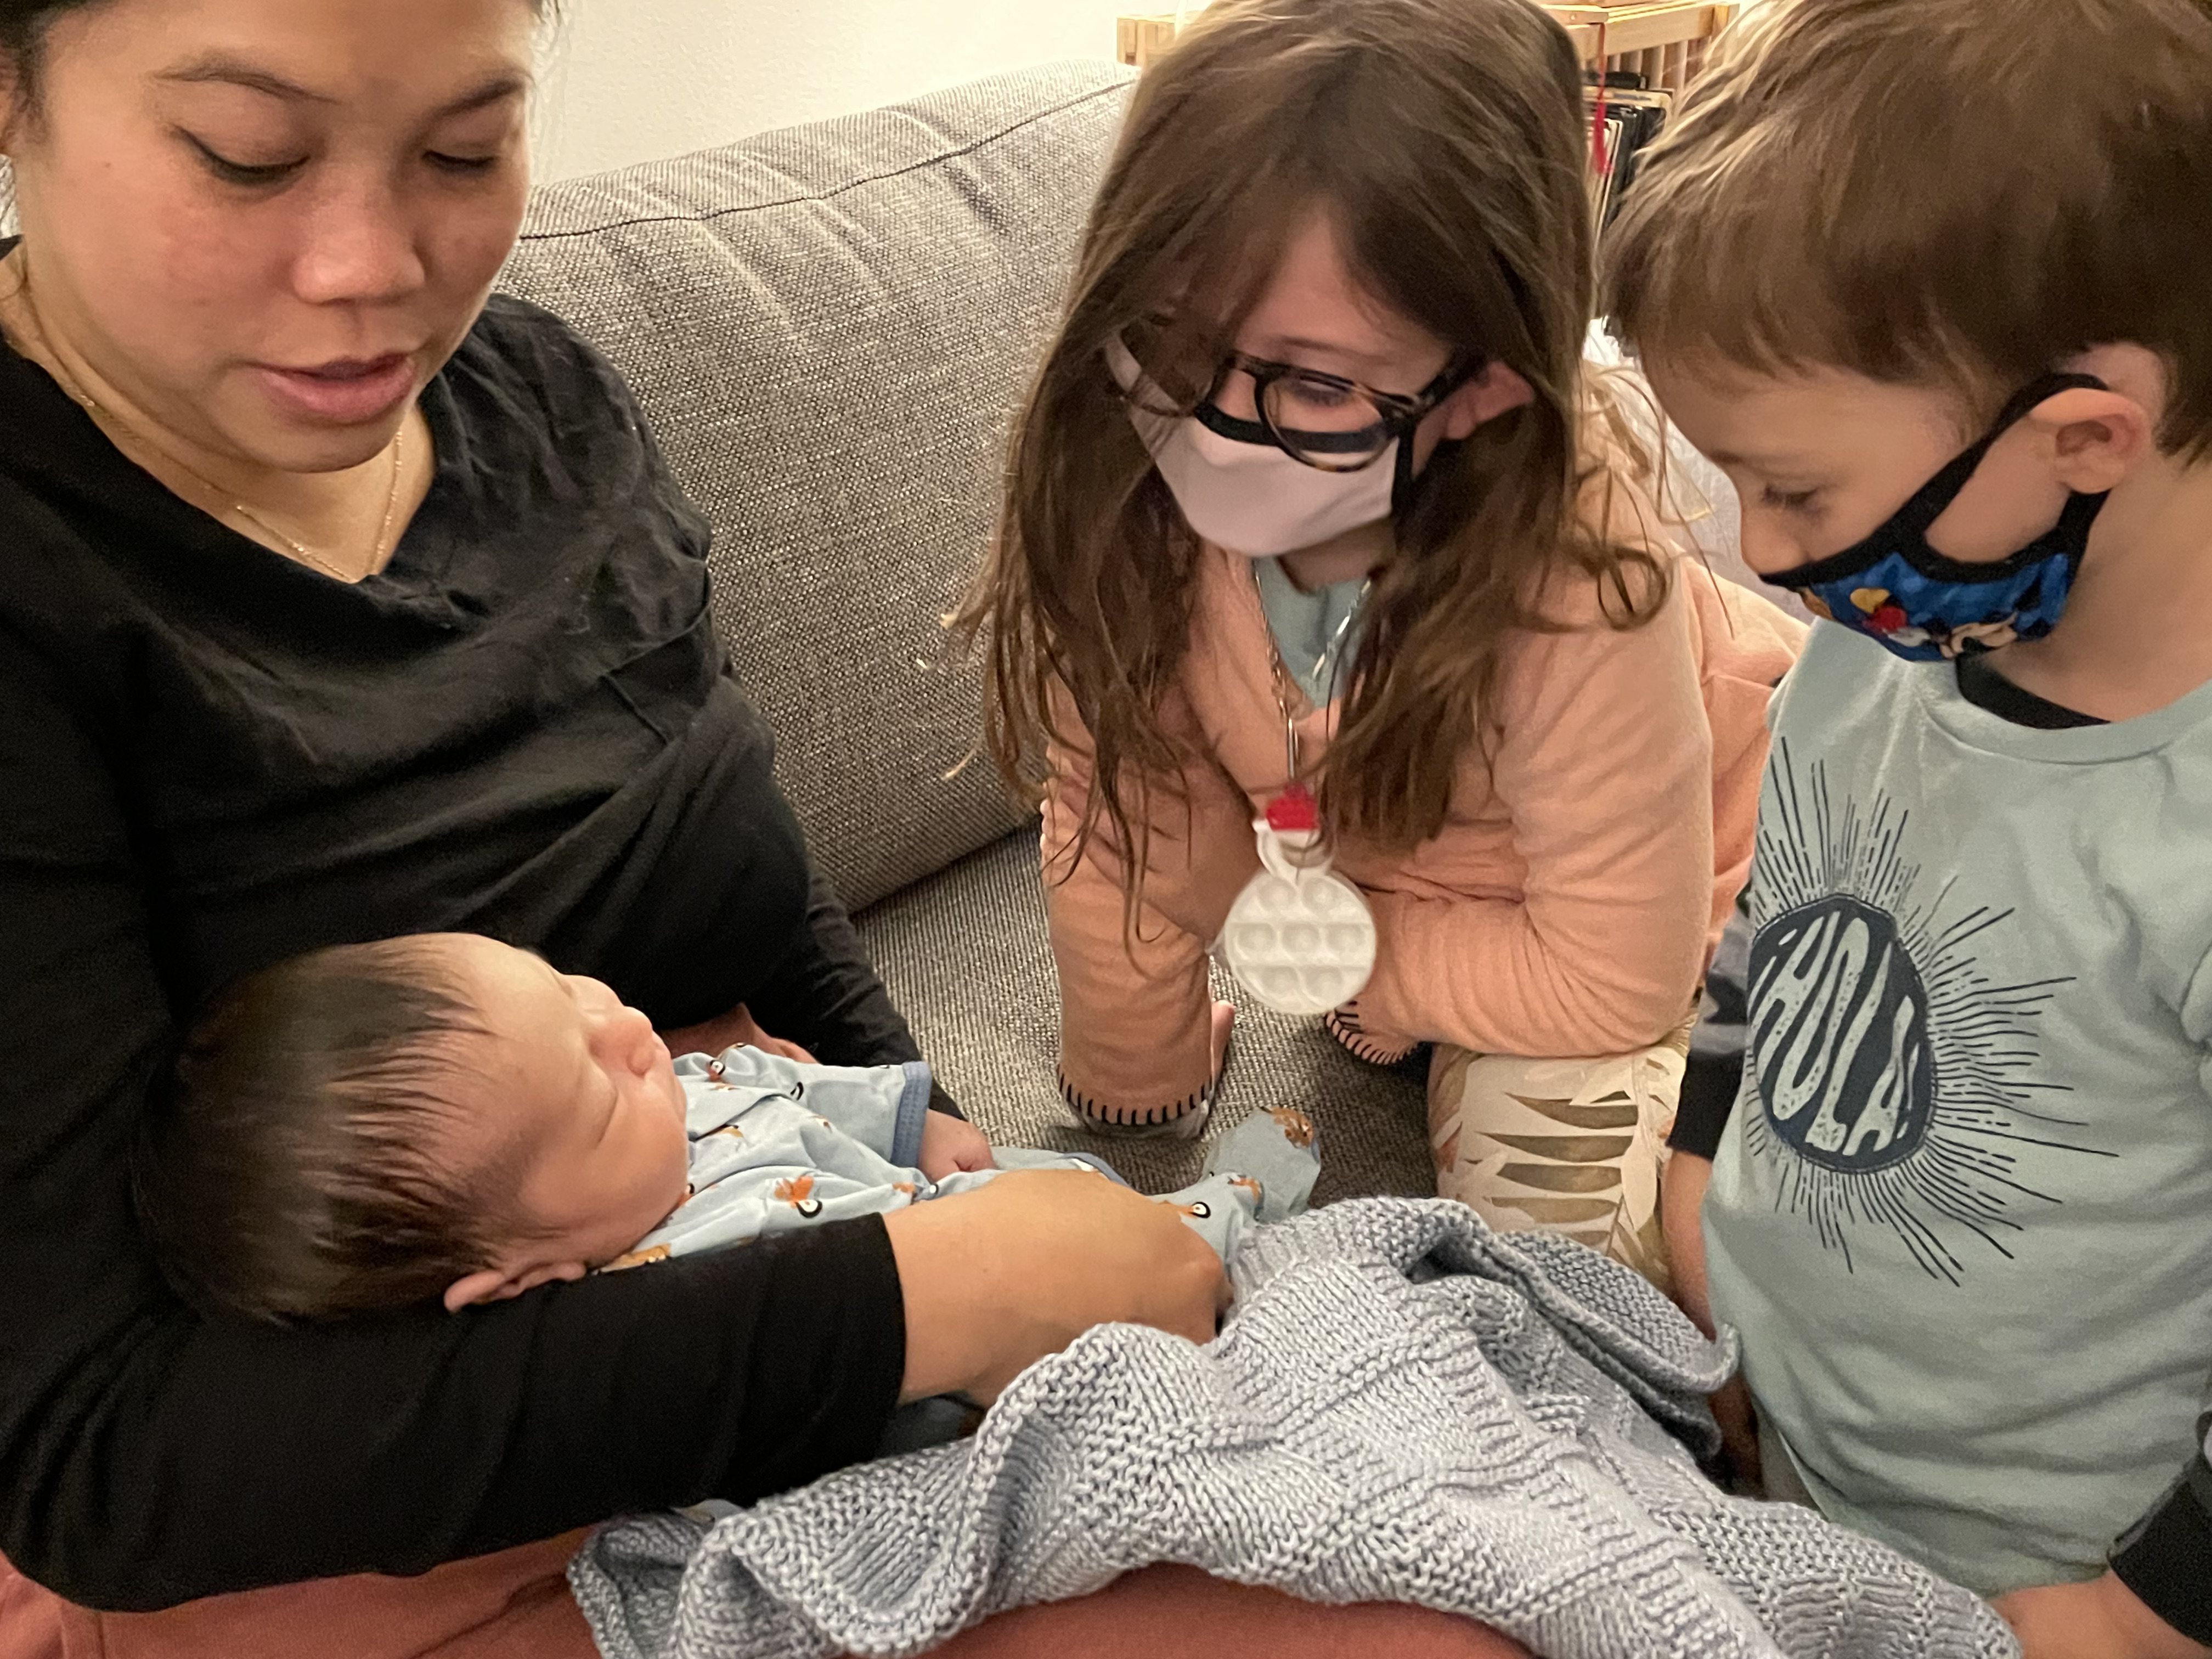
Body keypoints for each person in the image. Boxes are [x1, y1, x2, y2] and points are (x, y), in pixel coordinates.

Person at [0, 0, 1223, 1618]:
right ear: (12, 96)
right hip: (387, 1503)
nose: (375, 267)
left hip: (783, 1227)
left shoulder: (545, 403)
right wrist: (923, 1297)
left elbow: (736, 857)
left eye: (464, 150)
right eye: (248, 155)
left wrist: (922, 1128)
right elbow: (104, 1461)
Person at [956, 0, 1802, 1290]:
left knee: (1568, 1275)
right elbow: (1120, 821)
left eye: (1314, 385)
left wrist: (1307, 940)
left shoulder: (1575, 576)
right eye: (1172, 340)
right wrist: (1135, 1095)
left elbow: (1614, 980)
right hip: (1427, 905)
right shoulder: (1121, 478)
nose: (1209, 429)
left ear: (1487, 384)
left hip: (1712, 879)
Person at [1602, 0, 2212, 1653]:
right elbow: (1780, 931)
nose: (1759, 548)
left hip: (2047, 1583)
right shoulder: (1874, 658)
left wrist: (2145, 1610)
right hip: (1768, 1425)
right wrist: (1697, 1170)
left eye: (1796, 491)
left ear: (2085, 437)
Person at [132, 933, 1316, 1323]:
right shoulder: (700, 1268)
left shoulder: (655, 1103)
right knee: (1192, 1254)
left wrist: (909, 1117)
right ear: (526, 1275)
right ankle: (1235, 1203)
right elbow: (940, 1284)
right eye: (597, 1091)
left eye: (571, 992)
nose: (630, 1031)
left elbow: (766, 1083)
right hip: (1007, 1296)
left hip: (969, 1187)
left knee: (1070, 1180)